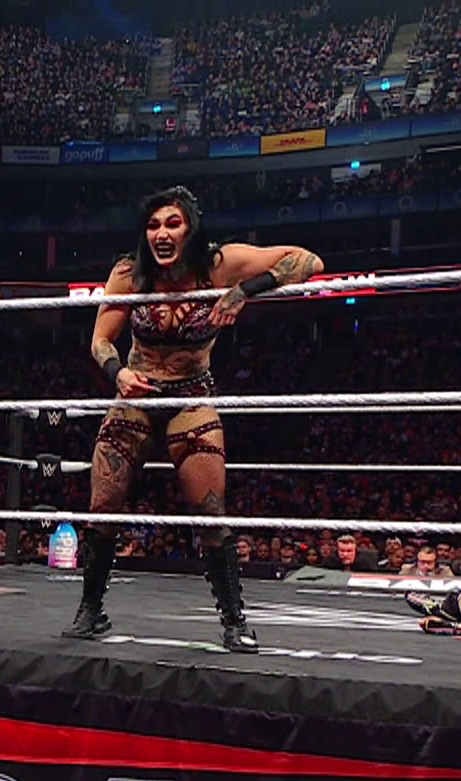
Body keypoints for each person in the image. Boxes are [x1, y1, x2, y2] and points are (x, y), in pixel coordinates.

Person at [67, 186, 324, 652]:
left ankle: (234, 620)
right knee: (103, 504)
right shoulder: (129, 273)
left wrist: (244, 291)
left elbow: (309, 261)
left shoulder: (218, 265)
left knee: (210, 510)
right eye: (153, 225)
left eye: (173, 223)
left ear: (190, 228)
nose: (162, 234)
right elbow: (100, 340)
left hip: (191, 395)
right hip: (137, 393)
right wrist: (118, 372)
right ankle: (90, 610)